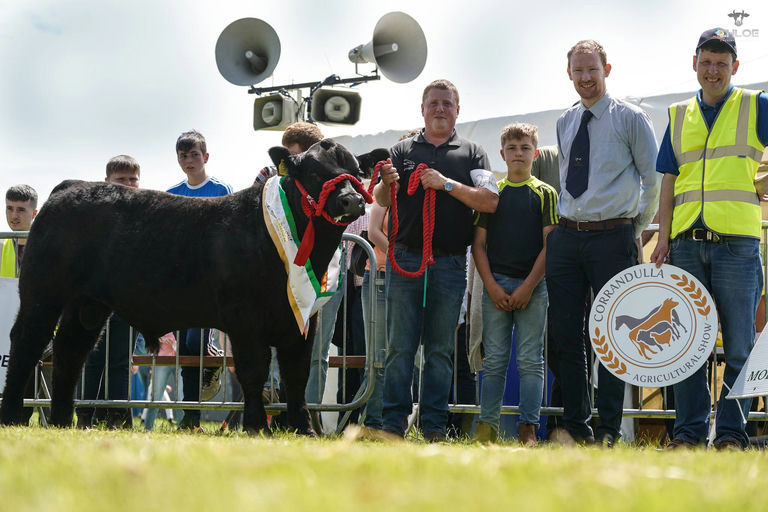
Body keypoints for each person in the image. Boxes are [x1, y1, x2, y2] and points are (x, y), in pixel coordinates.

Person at [650, 28, 768, 450]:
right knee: (687, 347)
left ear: (735, 66)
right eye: (706, 62)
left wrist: (762, 181)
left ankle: (732, 436)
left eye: (721, 63)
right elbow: (669, 179)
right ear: (694, 64)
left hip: (738, 244)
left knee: (739, 347)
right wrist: (663, 237)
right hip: (685, 244)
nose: (713, 70)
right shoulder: (678, 113)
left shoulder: (757, 104)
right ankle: (688, 435)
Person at [546, 40, 659, 446]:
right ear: (569, 74)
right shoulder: (565, 121)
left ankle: (609, 430)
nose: (585, 77)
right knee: (565, 336)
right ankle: (577, 427)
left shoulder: (631, 118)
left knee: (614, 334)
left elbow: (653, 180)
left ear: (606, 70)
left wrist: (633, 228)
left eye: (592, 69)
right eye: (578, 70)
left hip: (614, 237)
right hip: (567, 237)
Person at [374, 79, 499, 442]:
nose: (440, 109)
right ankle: (392, 426)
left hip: (449, 262)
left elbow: (490, 200)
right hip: (404, 259)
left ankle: (433, 427)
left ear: (458, 110)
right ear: (422, 109)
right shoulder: (400, 150)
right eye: (434, 103)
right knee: (400, 347)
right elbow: (381, 199)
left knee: (440, 350)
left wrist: (446, 184)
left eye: (447, 103)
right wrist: (384, 182)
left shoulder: (473, 152)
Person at [472, 123, 557, 445]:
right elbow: (478, 245)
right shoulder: (492, 194)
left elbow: (550, 246)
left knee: (530, 360)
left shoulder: (546, 194)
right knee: (494, 360)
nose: (518, 154)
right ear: (502, 154)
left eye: (525, 148)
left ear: (536, 153)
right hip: (495, 286)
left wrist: (528, 286)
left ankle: (528, 428)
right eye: (512, 148)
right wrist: (492, 286)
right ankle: (487, 428)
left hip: (533, 288)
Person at [166, 130, 231, 430]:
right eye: (183, 156)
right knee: (186, 350)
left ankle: (213, 359)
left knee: (196, 342)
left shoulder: (221, 190)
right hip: (181, 285)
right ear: (178, 160)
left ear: (205, 157)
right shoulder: (172, 193)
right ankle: (190, 416)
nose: (189, 160)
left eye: (194, 154)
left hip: (209, 284)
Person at [76, 155, 143, 429]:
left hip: (128, 300)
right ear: (106, 181)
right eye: (120, 179)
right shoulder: (92, 214)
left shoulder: (146, 214)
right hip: (94, 298)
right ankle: (84, 416)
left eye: (132, 179)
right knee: (92, 359)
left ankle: (118, 416)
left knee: (120, 361)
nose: (127, 184)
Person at [2, 185, 38, 278]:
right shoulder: (1, 246)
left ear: (34, 214)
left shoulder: (47, 246)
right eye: (9, 208)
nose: (14, 216)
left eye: (21, 210)